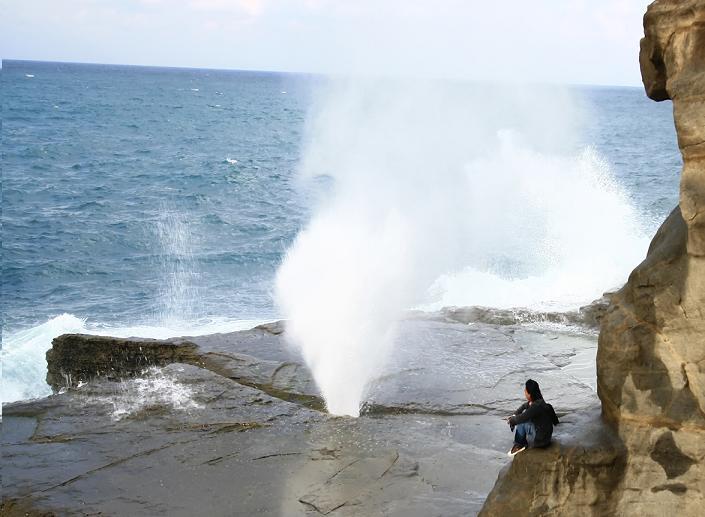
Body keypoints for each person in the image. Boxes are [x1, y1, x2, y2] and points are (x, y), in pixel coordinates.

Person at [505, 379, 559, 456]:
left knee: (522, 423)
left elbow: (521, 418)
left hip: (541, 441)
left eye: (525, 391)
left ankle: (520, 444)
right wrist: (514, 415)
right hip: (547, 437)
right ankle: (522, 442)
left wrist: (511, 421)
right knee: (525, 416)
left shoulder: (535, 407)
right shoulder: (539, 402)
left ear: (530, 394)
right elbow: (524, 406)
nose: (524, 392)